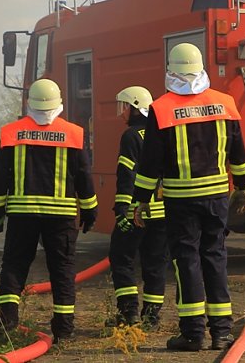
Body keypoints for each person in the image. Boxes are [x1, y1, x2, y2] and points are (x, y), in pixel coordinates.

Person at [133, 42, 245, 352]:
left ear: (171, 70)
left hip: (181, 200)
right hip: (217, 197)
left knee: (186, 260)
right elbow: (238, 152)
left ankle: (192, 333)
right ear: (201, 69)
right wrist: (243, 186)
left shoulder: (161, 108)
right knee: (215, 257)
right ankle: (222, 333)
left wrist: (141, 200)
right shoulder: (225, 103)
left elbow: (151, 161)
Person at [0, 78, 99, 342]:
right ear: (58, 102)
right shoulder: (73, 134)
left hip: (22, 215)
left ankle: (7, 324)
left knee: (14, 266)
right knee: (62, 270)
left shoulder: (12, 133)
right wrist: (90, 210)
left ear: (30, 102)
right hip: (61, 217)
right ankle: (64, 329)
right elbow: (84, 177)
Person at [107, 85, 168, 329]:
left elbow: (127, 174)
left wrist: (122, 209)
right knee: (155, 264)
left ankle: (128, 312)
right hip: (162, 212)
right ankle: (151, 318)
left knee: (121, 258)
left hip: (137, 211)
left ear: (134, 108)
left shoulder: (131, 136)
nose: (121, 112)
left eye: (124, 107)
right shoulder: (161, 131)